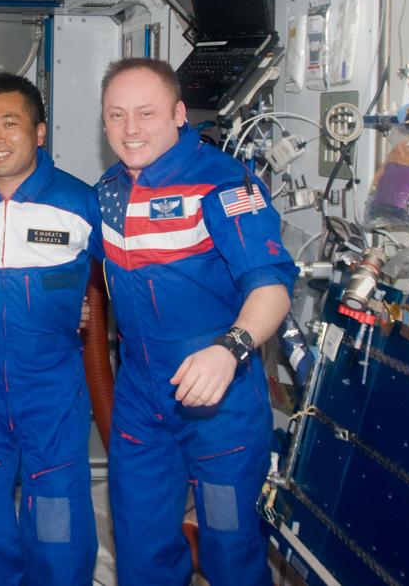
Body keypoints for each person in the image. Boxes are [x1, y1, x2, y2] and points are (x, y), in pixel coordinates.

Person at [96, 57, 296, 586]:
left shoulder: (223, 183)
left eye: (146, 113)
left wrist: (231, 348)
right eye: (116, 115)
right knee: (140, 547)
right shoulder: (109, 191)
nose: (131, 128)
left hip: (220, 398)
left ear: (179, 114)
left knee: (230, 548)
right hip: (141, 398)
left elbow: (271, 287)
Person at [0, 72, 102, 586]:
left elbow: (123, 279)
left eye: (10, 123)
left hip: (52, 384)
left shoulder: (81, 202)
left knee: (58, 524)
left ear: (39, 131)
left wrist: (83, 306)